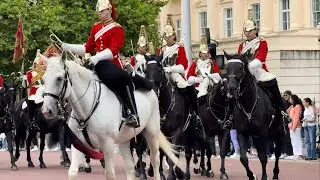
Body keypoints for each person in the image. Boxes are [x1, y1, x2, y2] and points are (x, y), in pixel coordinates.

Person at [61, 0, 139, 128]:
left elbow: (114, 49)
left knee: (124, 78)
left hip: (111, 63)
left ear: (109, 10)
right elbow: (88, 47)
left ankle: (132, 113)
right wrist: (69, 47)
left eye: (102, 11)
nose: (99, 13)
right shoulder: (96, 27)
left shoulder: (117, 28)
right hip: (95, 63)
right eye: (98, 11)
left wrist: (97, 57)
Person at [238, 17, 289, 122]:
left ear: (255, 30)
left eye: (250, 31)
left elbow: (260, 58)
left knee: (272, 82)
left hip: (258, 70)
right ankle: (230, 116)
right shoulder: (241, 46)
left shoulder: (262, 42)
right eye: (246, 31)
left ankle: (281, 111)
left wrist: (248, 67)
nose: (248, 33)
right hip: (244, 72)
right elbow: (239, 59)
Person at [159, 15, 202, 128]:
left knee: (186, 87)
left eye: (170, 35)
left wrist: (171, 68)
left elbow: (183, 66)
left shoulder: (179, 49)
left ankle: (194, 113)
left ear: (174, 36)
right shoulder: (161, 50)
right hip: (163, 74)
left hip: (175, 74)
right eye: (166, 36)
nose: (167, 38)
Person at [186, 35, 221, 100]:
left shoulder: (212, 62)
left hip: (210, 85)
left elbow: (219, 75)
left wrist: (210, 76)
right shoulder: (195, 64)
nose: (205, 54)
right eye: (203, 53)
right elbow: (188, 78)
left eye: (207, 53)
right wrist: (198, 79)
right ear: (200, 54)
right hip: (198, 86)